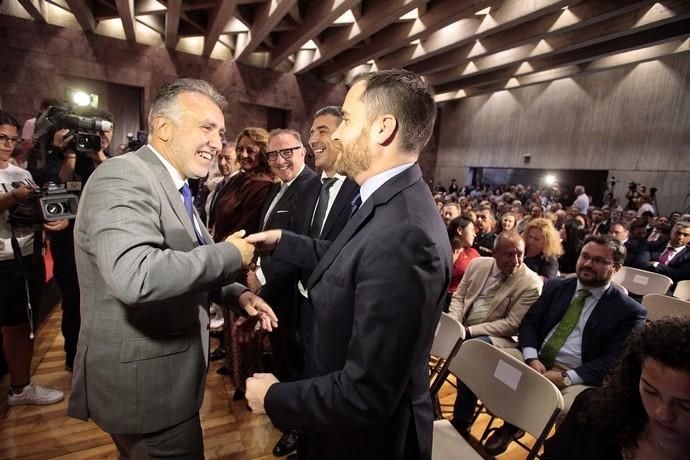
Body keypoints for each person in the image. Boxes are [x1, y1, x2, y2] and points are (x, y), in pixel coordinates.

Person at [245, 69, 452, 459]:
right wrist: (285, 240)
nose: (336, 134)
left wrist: (275, 397)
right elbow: (349, 263)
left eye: (348, 119)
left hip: (364, 444)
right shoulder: (383, 200)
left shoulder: (407, 234)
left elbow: (368, 391)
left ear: (382, 129)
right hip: (338, 426)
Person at [66, 79, 278, 458]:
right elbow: (138, 275)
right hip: (146, 392)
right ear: (163, 127)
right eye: (207, 128)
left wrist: (237, 294)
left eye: (221, 132)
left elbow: (183, 258)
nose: (217, 142)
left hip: (164, 384)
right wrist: (232, 256)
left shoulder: (173, 183)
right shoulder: (124, 176)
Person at [483, 235, 646, 456]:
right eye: (585, 257)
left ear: (615, 268)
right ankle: (508, 423)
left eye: (598, 260)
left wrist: (566, 377)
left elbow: (613, 360)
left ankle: (551, 451)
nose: (588, 264)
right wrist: (531, 358)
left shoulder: (629, 311)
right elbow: (531, 322)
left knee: (573, 412)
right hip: (535, 359)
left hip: (577, 376)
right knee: (485, 359)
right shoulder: (558, 286)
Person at [264, 106, 359, 458]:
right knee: (299, 372)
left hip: (337, 312)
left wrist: (281, 241)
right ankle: (300, 433)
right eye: (312, 131)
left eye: (322, 130)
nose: (313, 138)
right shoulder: (308, 189)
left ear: (344, 137)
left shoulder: (359, 192)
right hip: (301, 304)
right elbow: (296, 255)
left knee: (327, 385)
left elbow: (343, 254)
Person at [542, 317, 690, 460]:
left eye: (685, 405)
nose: (662, 414)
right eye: (651, 391)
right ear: (636, 377)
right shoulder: (593, 412)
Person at [1, 110, 67, 406]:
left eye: (12, 139)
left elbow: (37, 209)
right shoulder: (18, 181)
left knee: (22, 325)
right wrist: (16, 196)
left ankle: (20, 386)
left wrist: (56, 221)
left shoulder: (21, 173)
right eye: (2, 137)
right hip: (3, 258)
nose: (7, 144)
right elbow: (18, 201)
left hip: (27, 256)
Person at [447, 231, 543, 433]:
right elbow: (459, 297)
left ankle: (462, 420)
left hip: (499, 337)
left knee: (474, 350)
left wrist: (468, 331)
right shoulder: (477, 265)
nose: (515, 261)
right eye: (509, 254)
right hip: (464, 324)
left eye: (520, 254)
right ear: (494, 253)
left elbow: (510, 324)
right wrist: (454, 324)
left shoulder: (531, 283)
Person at [44, 107, 114, 371]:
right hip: (69, 244)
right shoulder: (60, 156)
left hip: (104, 242)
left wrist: (98, 154)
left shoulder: (112, 159)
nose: (101, 135)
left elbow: (119, 181)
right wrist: (70, 155)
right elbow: (55, 186)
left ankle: (102, 355)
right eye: (96, 131)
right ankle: (74, 359)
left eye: (106, 129)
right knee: (74, 302)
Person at [637, 220, 690, 286]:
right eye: (678, 233)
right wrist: (670, 271)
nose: (680, 237)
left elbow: (682, 275)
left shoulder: (688, 255)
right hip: (643, 281)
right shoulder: (652, 246)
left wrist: (657, 265)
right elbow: (640, 264)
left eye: (685, 235)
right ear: (671, 232)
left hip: (669, 289)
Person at [445, 215, 480, 308]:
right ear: (460, 230)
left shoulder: (473, 255)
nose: (475, 234)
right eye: (472, 230)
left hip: (457, 305)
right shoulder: (441, 249)